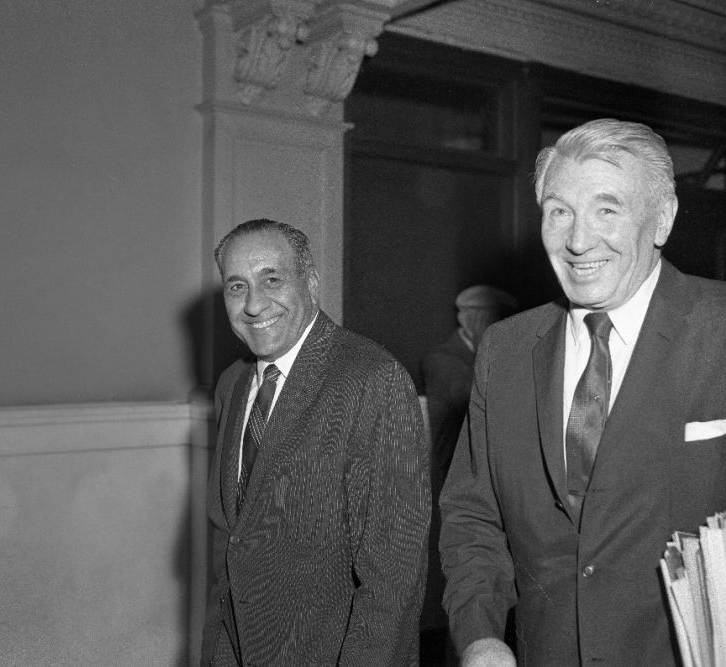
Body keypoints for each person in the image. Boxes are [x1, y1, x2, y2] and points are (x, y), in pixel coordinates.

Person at [439, 118, 726, 666]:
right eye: (559, 211)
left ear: (662, 219)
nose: (577, 240)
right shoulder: (504, 350)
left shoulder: (719, 326)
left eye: (607, 209)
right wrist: (481, 636)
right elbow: (473, 517)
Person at [200, 219, 431, 666]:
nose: (253, 304)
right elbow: (234, 544)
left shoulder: (372, 379)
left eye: (271, 279)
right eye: (236, 286)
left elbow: (394, 578)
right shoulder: (233, 383)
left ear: (311, 284)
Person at [419, 286, 517, 653]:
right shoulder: (443, 359)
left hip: (495, 491)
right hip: (453, 490)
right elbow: (475, 395)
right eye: (483, 317)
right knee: (461, 605)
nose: (490, 326)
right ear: (464, 318)